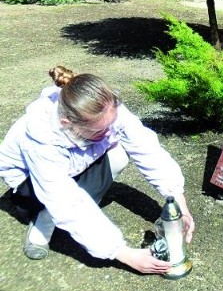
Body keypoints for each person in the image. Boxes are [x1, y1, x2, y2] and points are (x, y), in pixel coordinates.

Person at [0, 66, 195, 275]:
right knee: (58, 205)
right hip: (29, 186)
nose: (110, 130)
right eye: (101, 130)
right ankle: (44, 219)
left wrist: (178, 205)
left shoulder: (106, 108)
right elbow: (65, 201)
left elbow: (147, 149)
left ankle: (60, 210)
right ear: (67, 123)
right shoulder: (41, 140)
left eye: (111, 123)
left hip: (74, 163)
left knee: (119, 154)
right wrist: (123, 253)